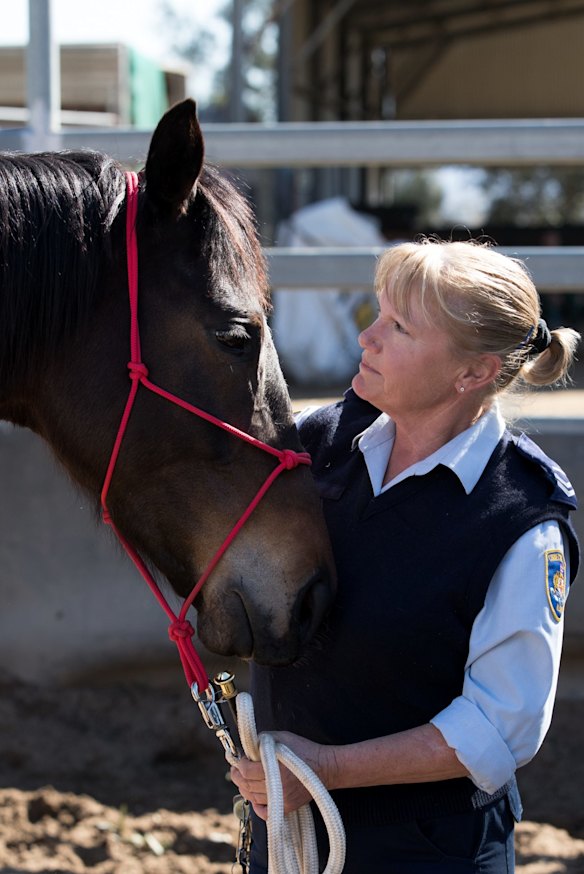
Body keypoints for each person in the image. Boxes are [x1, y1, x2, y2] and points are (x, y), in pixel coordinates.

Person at [231, 238, 581, 873]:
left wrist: (327, 769)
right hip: (287, 834)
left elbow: (499, 727)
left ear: (473, 373)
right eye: (378, 313)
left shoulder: (521, 520)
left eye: (399, 327)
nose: (368, 338)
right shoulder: (316, 445)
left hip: (426, 850)